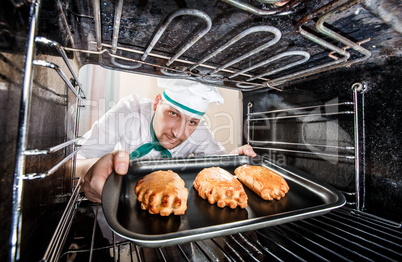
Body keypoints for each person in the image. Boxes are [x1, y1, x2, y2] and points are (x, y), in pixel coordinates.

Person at [76, 78, 256, 203]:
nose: (179, 133)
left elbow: (219, 166)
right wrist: (87, 171)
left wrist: (234, 159)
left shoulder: (199, 130)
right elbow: (76, 160)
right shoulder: (129, 111)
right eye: (173, 114)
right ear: (156, 103)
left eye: (192, 121)